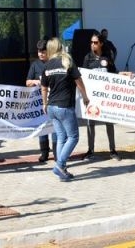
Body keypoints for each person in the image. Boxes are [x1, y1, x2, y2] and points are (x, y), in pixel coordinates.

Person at [41, 37, 90, 182]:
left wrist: (44, 104)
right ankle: (60, 165)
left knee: (62, 137)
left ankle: (62, 169)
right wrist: (85, 96)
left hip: (51, 107)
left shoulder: (47, 65)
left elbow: (44, 88)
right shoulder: (67, 61)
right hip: (64, 106)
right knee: (73, 137)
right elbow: (78, 80)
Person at [82, 32, 133, 161]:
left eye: (95, 42)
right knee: (90, 124)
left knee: (109, 123)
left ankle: (113, 150)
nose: (93, 45)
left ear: (101, 44)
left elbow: (114, 73)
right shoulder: (87, 58)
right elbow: (83, 76)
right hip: (92, 98)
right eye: (91, 42)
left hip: (105, 98)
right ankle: (90, 151)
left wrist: (126, 74)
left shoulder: (106, 58)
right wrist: (84, 96)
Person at [26, 38, 57, 163]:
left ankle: (56, 153)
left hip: (53, 100)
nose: (40, 54)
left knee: (54, 128)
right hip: (39, 103)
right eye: (39, 52)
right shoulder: (35, 65)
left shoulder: (54, 63)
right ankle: (44, 153)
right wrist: (35, 82)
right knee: (43, 129)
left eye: (43, 52)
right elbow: (27, 82)